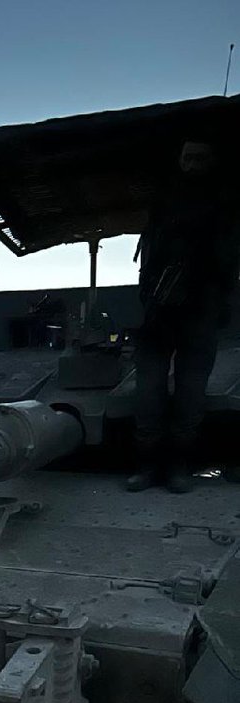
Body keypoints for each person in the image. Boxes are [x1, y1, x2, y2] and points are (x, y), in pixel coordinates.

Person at [127, 139, 239, 493]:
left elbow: (228, 261)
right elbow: (149, 253)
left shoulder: (224, 205)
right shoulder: (164, 201)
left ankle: (177, 467)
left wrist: (215, 298)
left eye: (200, 157)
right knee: (149, 394)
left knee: (191, 395)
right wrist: (151, 295)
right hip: (160, 311)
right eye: (187, 157)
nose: (192, 163)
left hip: (201, 310)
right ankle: (147, 467)